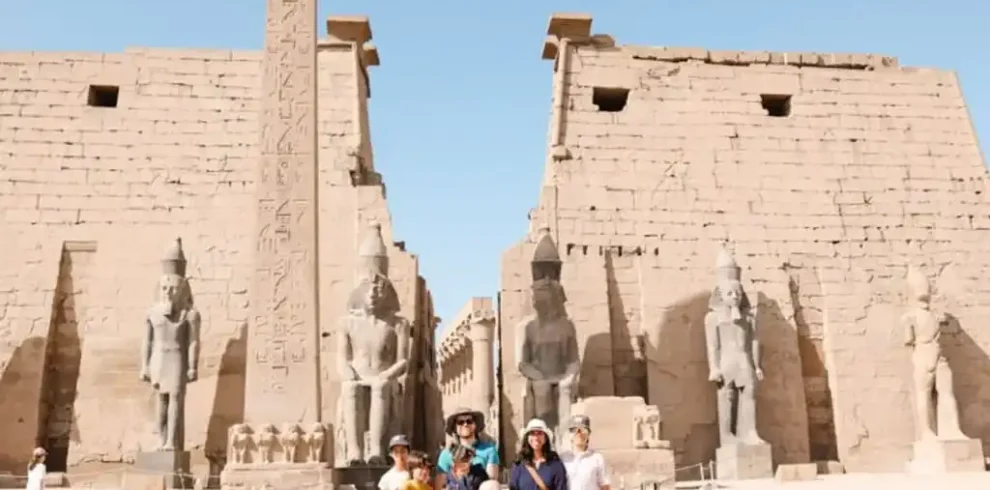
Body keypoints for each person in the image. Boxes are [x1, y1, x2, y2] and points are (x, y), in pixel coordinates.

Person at [436, 407, 500, 489]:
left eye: (469, 421)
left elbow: (491, 480)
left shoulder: (489, 450)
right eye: (460, 422)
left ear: (475, 425)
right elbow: (440, 485)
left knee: (492, 484)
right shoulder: (446, 454)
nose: (465, 424)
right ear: (455, 428)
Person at [508, 419, 567, 490]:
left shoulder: (555, 465)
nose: (536, 437)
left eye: (540, 433)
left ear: (545, 438)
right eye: (532, 433)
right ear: (527, 438)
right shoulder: (519, 464)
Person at [559, 415, 611, 490]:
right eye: (575, 430)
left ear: (588, 434)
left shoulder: (597, 458)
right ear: (570, 434)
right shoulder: (563, 458)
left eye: (583, 430)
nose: (579, 434)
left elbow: (605, 486)